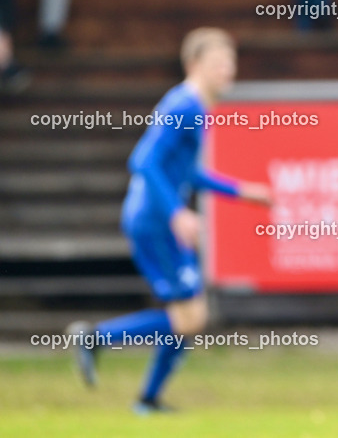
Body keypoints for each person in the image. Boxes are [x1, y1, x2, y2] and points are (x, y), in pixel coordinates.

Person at [69, 28, 272, 413]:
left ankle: (148, 398)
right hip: (154, 220)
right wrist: (176, 212)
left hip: (160, 217)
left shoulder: (195, 106)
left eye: (231, 62)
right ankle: (97, 338)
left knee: (190, 315)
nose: (228, 70)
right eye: (219, 63)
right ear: (194, 64)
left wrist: (240, 192)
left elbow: (185, 172)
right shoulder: (184, 106)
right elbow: (144, 161)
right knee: (190, 317)